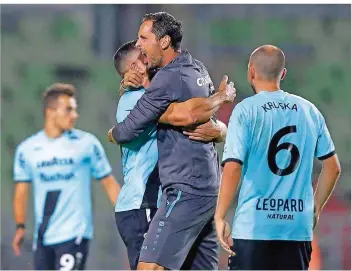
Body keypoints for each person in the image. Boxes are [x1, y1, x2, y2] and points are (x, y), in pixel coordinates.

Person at [110, 12, 236, 270]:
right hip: (204, 190)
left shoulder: (165, 79)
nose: (139, 45)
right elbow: (197, 118)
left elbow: (184, 115)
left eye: (143, 39)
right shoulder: (196, 67)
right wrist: (220, 113)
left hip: (179, 191)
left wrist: (113, 133)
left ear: (164, 41)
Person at [215, 45, 341, 270]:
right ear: (282, 74)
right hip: (296, 230)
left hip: (254, 228)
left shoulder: (246, 110)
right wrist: (315, 208)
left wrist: (220, 215)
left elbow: (233, 167)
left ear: (251, 71)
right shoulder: (309, 110)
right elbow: (332, 167)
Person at [12, 83, 121, 270]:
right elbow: (21, 192)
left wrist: (128, 217)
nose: (75, 115)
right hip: (43, 237)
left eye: (75, 110)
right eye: (68, 110)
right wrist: (20, 226)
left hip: (74, 234)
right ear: (50, 112)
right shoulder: (27, 149)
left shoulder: (87, 144)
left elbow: (109, 184)